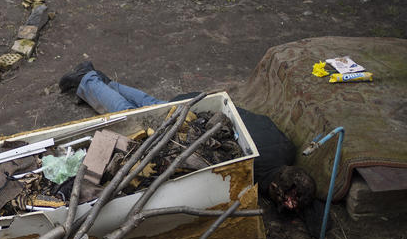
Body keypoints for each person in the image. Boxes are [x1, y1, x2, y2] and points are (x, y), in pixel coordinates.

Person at [58, 60, 323, 224]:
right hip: (194, 118)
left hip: (199, 101)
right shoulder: (252, 166)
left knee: (151, 104)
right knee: (133, 115)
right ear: (276, 186)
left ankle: (101, 81)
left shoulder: (286, 149)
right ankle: (87, 79)